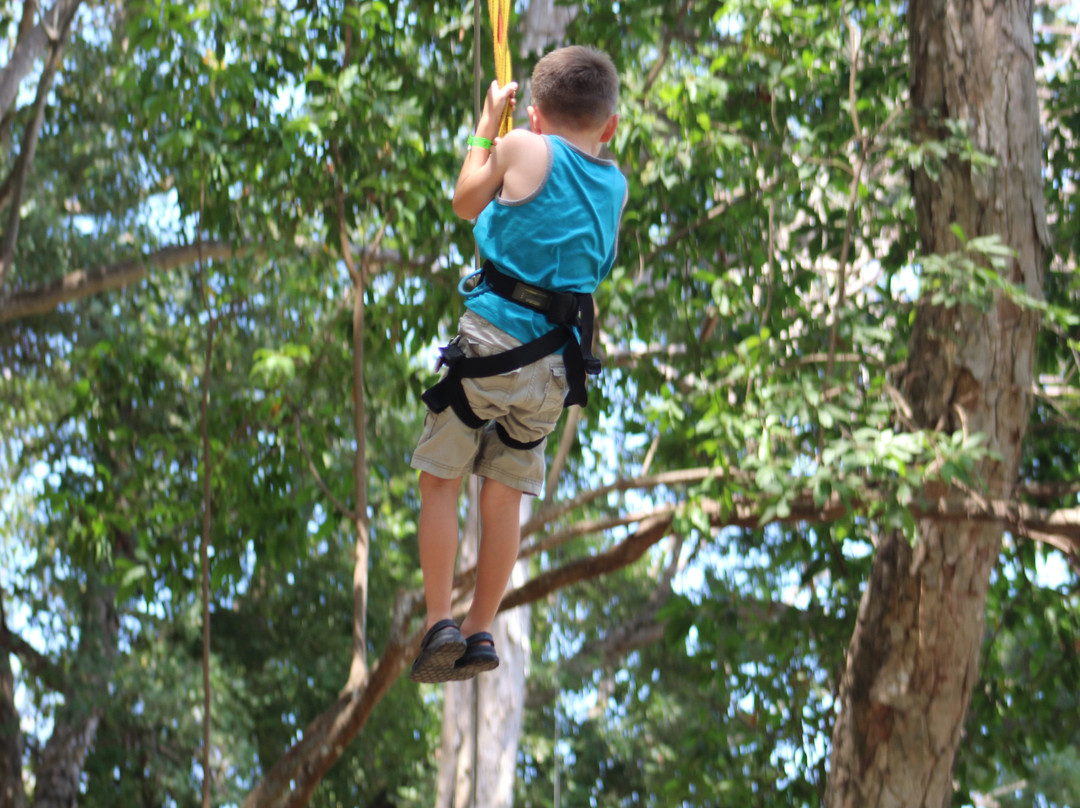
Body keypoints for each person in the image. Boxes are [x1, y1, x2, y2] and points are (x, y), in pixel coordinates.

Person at [409, 45, 626, 683]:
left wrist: (487, 126)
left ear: (535, 114)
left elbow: (465, 200)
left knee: (441, 482)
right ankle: (480, 629)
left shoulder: (524, 148)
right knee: (502, 500)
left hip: (489, 350)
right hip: (552, 372)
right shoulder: (615, 186)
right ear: (609, 126)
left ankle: (436, 622)